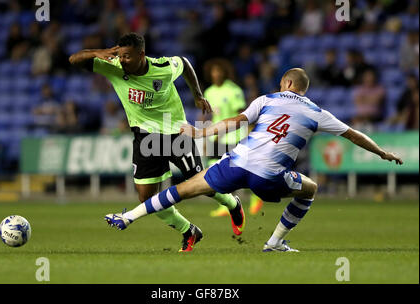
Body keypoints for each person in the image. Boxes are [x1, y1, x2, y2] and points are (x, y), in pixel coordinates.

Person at [105, 68, 403, 252]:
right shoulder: (317, 112)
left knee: (181, 190)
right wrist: (382, 152)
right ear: (303, 88)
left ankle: (127, 217)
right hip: (269, 177)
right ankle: (274, 242)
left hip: (236, 163)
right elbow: (354, 135)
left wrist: (200, 132)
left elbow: (235, 121)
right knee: (310, 188)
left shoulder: (268, 99)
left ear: (286, 83)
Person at [69, 33, 244, 252]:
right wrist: (97, 53)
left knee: (200, 184)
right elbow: (73, 60)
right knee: (146, 198)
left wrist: (197, 95)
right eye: (120, 56)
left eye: (128, 57)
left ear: (141, 55)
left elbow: (185, 63)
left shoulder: (163, 67)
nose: (122, 61)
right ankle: (188, 231)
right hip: (145, 138)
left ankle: (232, 204)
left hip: (176, 132)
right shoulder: (113, 67)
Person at [202, 58, 263, 217]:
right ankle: (227, 203)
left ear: (224, 73)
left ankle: (256, 195)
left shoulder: (234, 90)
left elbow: (241, 114)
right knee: (213, 169)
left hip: (233, 135)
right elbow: (211, 116)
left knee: (237, 171)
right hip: (217, 136)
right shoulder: (209, 92)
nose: (216, 74)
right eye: (213, 71)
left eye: (219, 71)